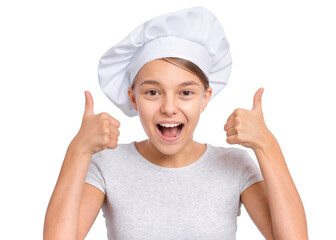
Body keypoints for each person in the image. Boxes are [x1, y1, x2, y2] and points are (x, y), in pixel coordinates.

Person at [43, 6, 308, 240]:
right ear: (133, 99)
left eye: (186, 92)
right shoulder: (107, 165)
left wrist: (267, 145)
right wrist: (78, 150)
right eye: (152, 92)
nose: (169, 108)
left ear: (205, 99)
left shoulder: (235, 166)